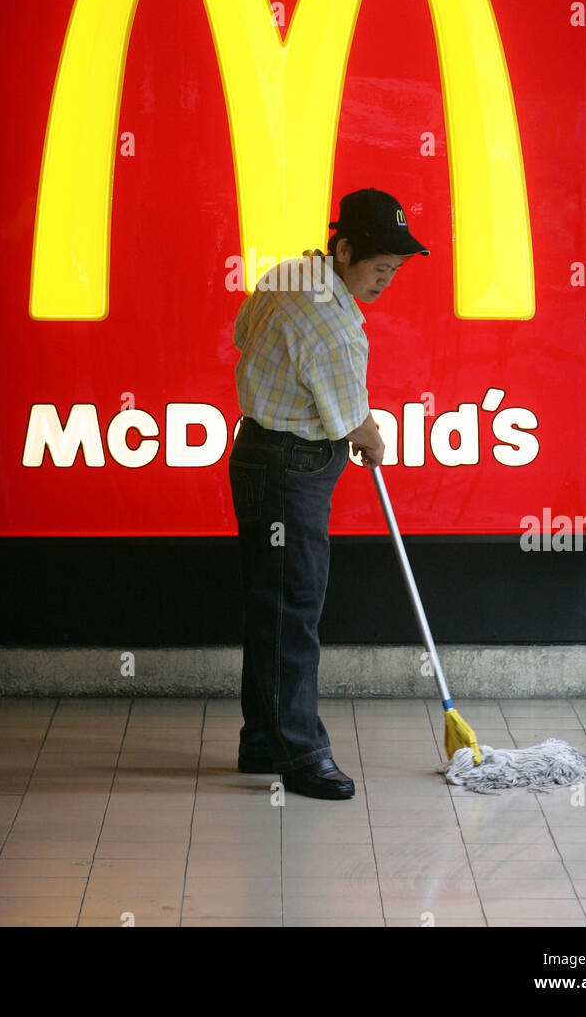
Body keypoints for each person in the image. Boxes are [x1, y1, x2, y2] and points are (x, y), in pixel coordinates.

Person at [227, 188, 429, 800]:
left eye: (394, 272)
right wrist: (373, 439)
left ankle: (263, 739)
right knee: (294, 606)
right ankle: (302, 754)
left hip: (259, 455)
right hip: (293, 469)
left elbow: (241, 335)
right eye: (378, 268)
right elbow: (352, 420)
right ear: (344, 250)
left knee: (274, 602)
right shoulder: (335, 326)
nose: (385, 282)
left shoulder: (289, 272)